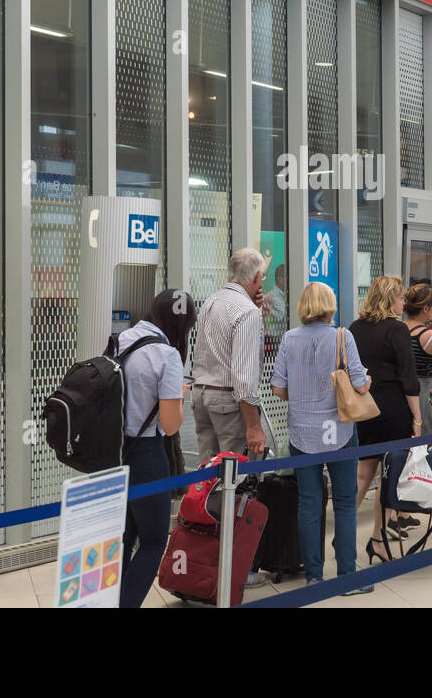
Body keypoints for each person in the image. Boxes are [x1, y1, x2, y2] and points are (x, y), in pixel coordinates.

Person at [270, 282, 373, 594]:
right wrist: (367, 379)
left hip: (302, 432)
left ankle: (313, 576)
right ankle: (347, 576)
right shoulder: (343, 336)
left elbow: (277, 388)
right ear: (330, 304)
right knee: (344, 502)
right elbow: (360, 383)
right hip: (340, 431)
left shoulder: (289, 338)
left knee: (309, 503)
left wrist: (303, 394)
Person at [118, 289, 195, 608]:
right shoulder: (167, 355)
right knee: (152, 542)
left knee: (123, 540)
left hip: (115, 453)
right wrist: (178, 395)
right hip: (147, 454)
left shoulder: (122, 339)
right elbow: (171, 424)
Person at [349, 275, 421, 548]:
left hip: (364, 408)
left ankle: (344, 536)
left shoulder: (355, 327)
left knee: (362, 474)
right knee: (387, 477)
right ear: (391, 299)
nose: (404, 302)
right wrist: (417, 418)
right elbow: (408, 377)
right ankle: (378, 538)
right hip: (393, 409)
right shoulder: (397, 329)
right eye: (401, 297)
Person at [190, 247, 268, 459]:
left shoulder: (210, 301)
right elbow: (244, 378)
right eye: (262, 277)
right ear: (257, 277)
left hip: (202, 395)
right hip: (228, 403)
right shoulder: (247, 311)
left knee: (208, 477)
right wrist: (253, 426)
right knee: (235, 477)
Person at [402, 283, 432, 437]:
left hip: (400, 393)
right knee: (423, 445)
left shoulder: (398, 329)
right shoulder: (431, 336)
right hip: (423, 394)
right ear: (425, 308)